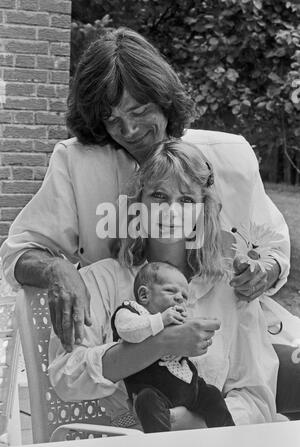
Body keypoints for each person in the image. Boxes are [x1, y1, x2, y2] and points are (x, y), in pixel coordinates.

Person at [0, 27, 299, 421]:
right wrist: (57, 268)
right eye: (112, 119)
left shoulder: (230, 156)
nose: (128, 130)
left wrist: (262, 270)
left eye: (140, 112)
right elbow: (19, 252)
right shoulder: (77, 165)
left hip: (235, 324)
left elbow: (273, 249)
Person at [48, 139, 283, 428]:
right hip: (129, 445)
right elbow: (66, 376)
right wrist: (162, 343)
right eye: (159, 196)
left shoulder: (230, 288)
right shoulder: (100, 281)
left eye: (186, 200)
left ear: (202, 211)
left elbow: (257, 398)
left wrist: (191, 422)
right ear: (138, 204)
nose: (171, 212)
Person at [112, 261, 235, 432]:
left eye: (184, 296)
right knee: (146, 401)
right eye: (170, 290)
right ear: (144, 295)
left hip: (189, 389)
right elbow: (128, 331)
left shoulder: (176, 320)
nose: (179, 298)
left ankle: (228, 437)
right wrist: (161, 320)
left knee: (212, 394)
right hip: (153, 391)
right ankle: (162, 446)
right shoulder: (131, 312)